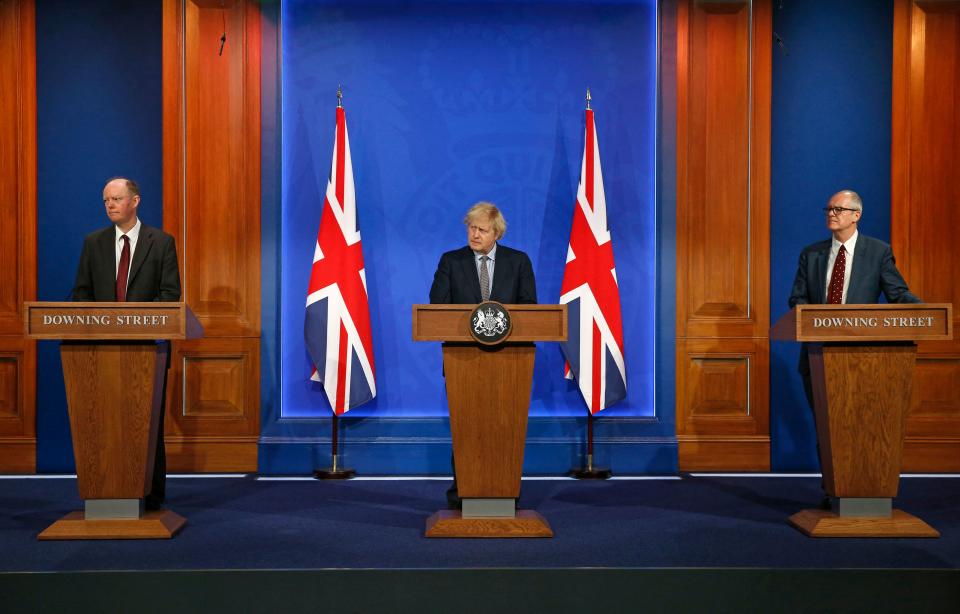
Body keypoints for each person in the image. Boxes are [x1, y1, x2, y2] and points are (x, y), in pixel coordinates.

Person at [787, 189, 920, 506]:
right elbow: (797, 300)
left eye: (839, 209)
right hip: (819, 357)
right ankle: (833, 490)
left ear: (856, 215)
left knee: (866, 425)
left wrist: (924, 313)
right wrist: (811, 317)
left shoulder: (878, 252)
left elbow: (898, 294)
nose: (831, 213)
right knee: (828, 427)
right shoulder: (812, 254)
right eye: (829, 208)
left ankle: (867, 490)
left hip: (865, 359)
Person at [72, 177, 182, 511]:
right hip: (100, 354)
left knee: (146, 424)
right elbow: (82, 294)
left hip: (147, 351)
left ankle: (151, 495)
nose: (110, 205)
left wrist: (137, 322)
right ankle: (104, 490)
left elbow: (170, 295)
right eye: (106, 200)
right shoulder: (94, 243)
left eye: (116, 199)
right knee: (101, 422)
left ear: (135, 201)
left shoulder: (161, 242)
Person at [429, 202, 537, 508]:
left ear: (496, 232)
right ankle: (462, 494)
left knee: (505, 428)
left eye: (482, 229)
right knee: (467, 428)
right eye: (471, 228)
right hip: (462, 361)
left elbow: (530, 307)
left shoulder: (518, 262)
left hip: (509, 363)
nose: (475, 234)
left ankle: (505, 492)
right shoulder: (451, 261)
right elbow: (437, 307)